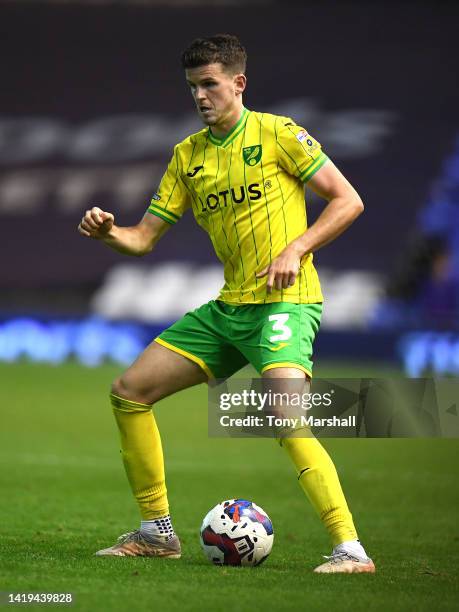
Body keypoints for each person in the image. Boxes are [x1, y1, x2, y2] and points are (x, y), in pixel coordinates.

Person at [77, 34, 374, 574]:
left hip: (286, 302)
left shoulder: (279, 133)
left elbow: (347, 199)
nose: (200, 96)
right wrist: (107, 232)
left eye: (209, 84)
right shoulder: (186, 156)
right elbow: (143, 239)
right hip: (228, 309)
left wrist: (296, 247)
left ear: (238, 83)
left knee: (285, 414)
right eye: (192, 87)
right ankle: (156, 532)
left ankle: (349, 549)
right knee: (129, 393)